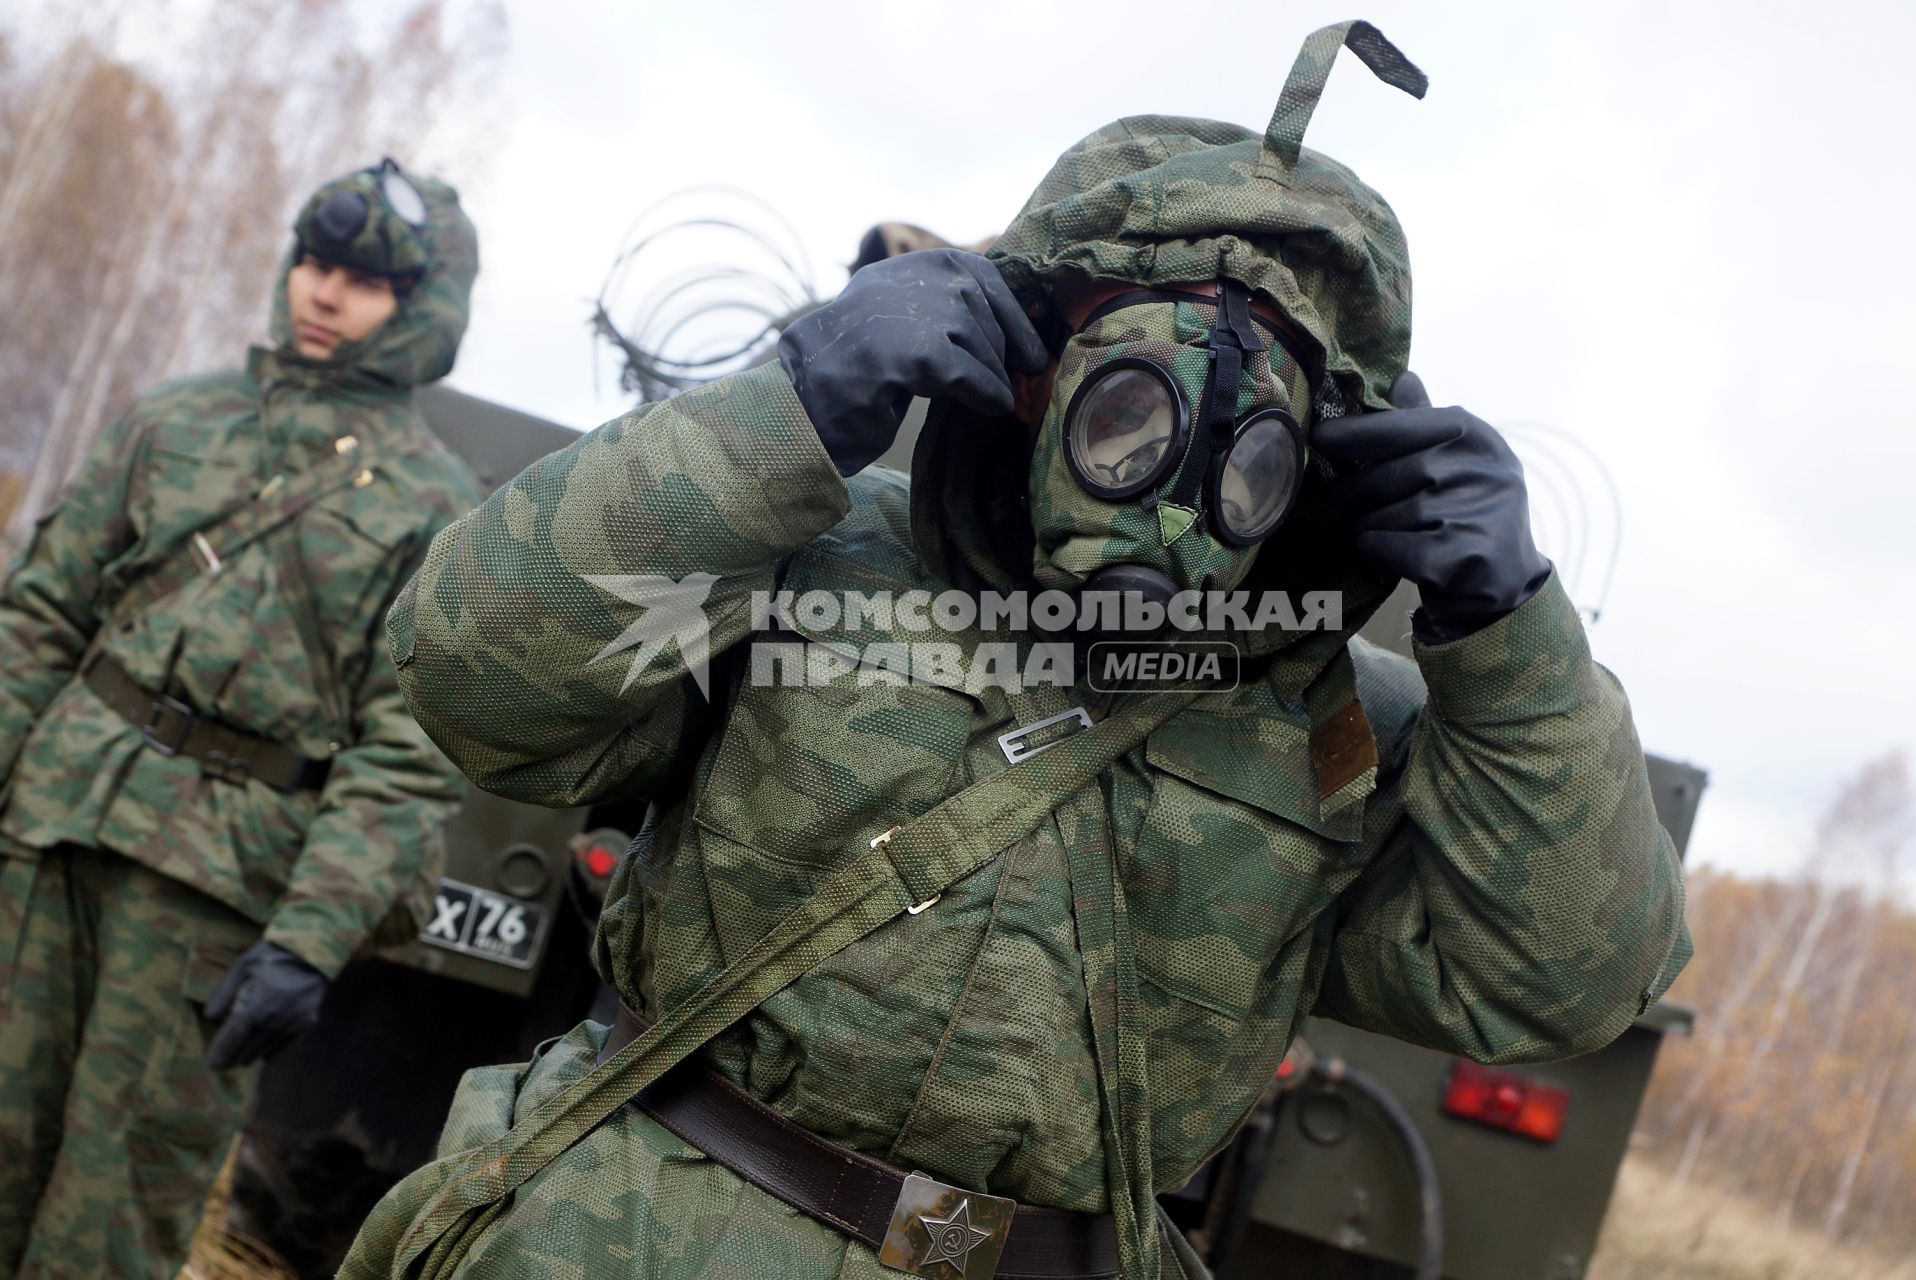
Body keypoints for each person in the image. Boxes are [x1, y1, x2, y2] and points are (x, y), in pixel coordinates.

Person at [342, 22, 1689, 1280]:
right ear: (1043, 370)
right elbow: (477, 677)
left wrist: (1512, 633)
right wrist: (785, 412)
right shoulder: (818, 557)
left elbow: (1570, 981)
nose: (1163, 491)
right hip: (625, 1236)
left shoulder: (1333, 725)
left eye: (1243, 451)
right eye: (1125, 414)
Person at [0, 158, 485, 1278]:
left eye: (363, 280)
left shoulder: (437, 509)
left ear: (421, 308)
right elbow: (38, 616)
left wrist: (308, 941)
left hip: (209, 902)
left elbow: (403, 759)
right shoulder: (175, 420)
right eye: (314, 262)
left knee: (113, 1213)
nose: (323, 292)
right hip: (47, 833)